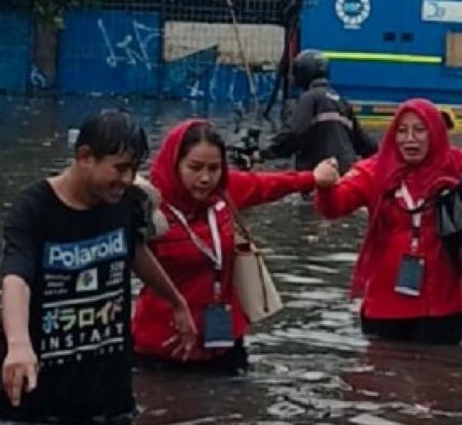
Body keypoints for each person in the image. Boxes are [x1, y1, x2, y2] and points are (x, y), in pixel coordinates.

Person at [0, 109, 197, 424]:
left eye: (134, 169)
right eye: (120, 168)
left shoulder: (122, 201)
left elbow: (134, 251)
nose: (127, 179)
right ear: (84, 156)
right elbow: (16, 278)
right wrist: (18, 345)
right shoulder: (34, 207)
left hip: (105, 380)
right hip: (37, 377)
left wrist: (177, 302)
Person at [131, 120, 340, 373]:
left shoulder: (224, 194)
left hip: (223, 339)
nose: (205, 178)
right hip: (164, 344)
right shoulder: (147, 206)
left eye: (214, 168)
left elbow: (268, 184)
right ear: (173, 165)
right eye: (194, 168)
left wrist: (314, 178)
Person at [314, 98, 462, 345]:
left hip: (444, 303)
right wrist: (325, 187)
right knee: (381, 373)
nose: (410, 139)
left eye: (419, 130)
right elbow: (334, 208)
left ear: (436, 133)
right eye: (402, 131)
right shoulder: (374, 171)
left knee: (443, 373)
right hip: (385, 302)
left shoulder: (461, 166)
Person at [258, 49, 378, 173]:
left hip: (321, 175)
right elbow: (366, 145)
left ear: (302, 74)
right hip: (347, 177)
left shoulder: (309, 98)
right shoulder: (342, 101)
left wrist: (266, 151)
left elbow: (294, 133)